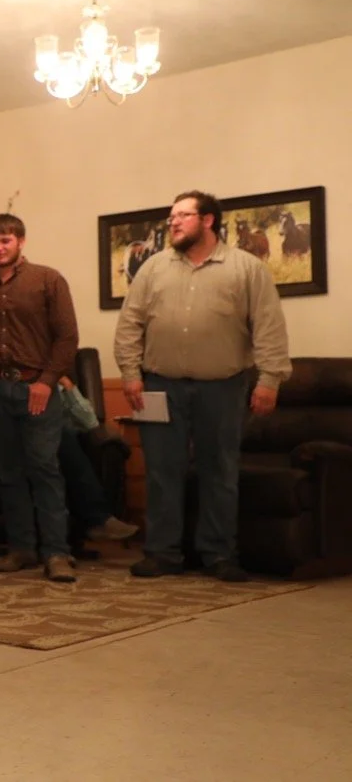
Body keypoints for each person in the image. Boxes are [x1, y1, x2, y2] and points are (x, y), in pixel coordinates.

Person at [114, 190, 290, 582]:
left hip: (223, 387)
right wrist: (129, 373)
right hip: (158, 385)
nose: (172, 222)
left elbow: (269, 326)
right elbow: (130, 324)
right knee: (161, 472)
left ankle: (219, 555)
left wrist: (270, 379)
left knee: (219, 471)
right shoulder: (153, 268)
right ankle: (162, 554)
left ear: (207, 220)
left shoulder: (246, 268)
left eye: (182, 216)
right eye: (171, 217)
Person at [0, 213, 80, 583]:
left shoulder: (48, 279)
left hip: (37, 388)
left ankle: (57, 553)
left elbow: (67, 337)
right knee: (8, 473)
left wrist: (47, 381)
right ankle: (21, 549)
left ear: (21, 241)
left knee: (44, 469)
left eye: (6, 240)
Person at [56, 375, 140, 543]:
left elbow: (90, 421)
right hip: (30, 438)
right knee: (64, 434)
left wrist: (67, 386)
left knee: (66, 434)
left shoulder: (56, 384)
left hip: (57, 443)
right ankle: (99, 519)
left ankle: (99, 520)